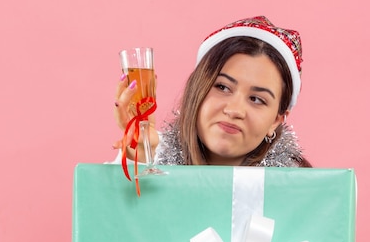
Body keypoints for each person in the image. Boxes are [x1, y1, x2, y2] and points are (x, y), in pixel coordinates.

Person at [112, 15, 311, 169]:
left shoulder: (300, 190)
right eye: (222, 87)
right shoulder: (156, 156)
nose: (235, 110)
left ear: (277, 120)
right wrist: (138, 158)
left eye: (257, 99)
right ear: (197, 89)